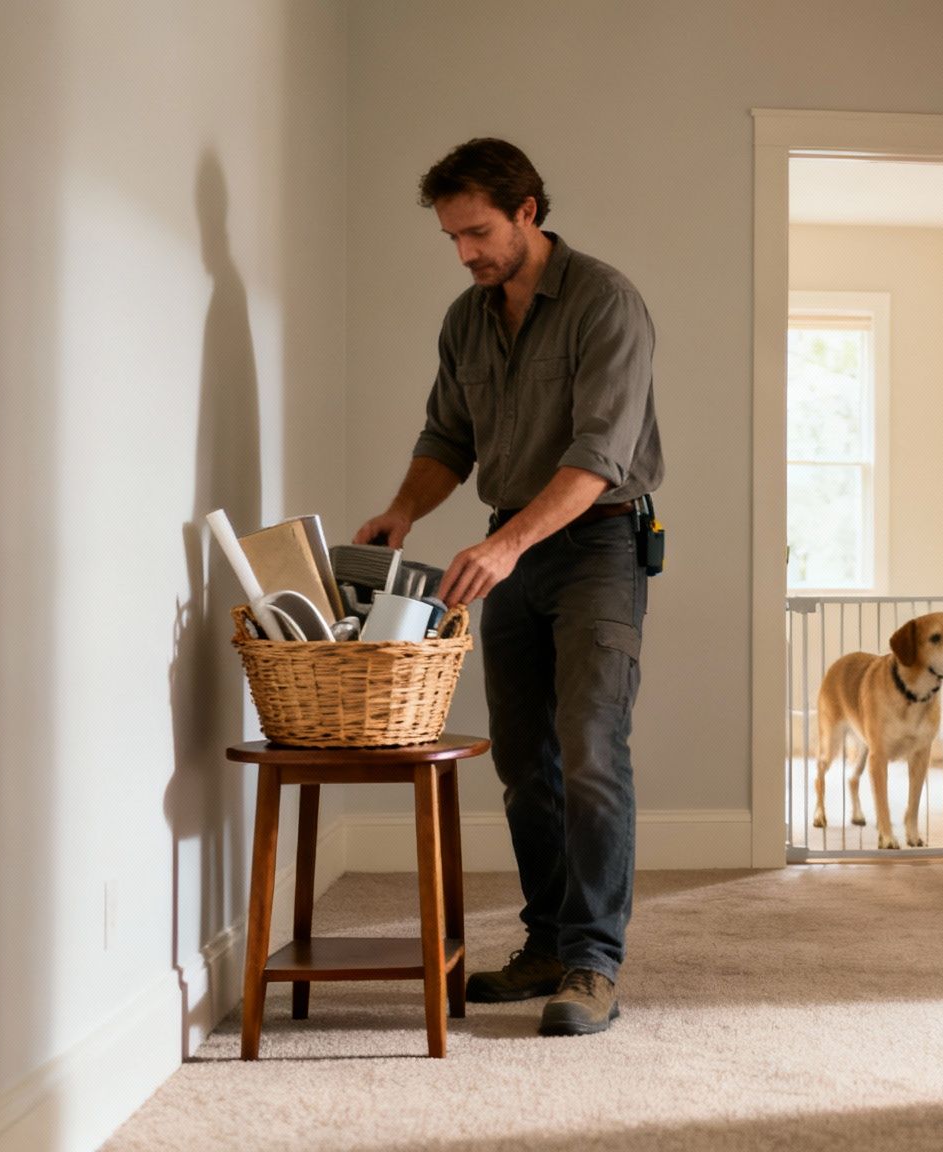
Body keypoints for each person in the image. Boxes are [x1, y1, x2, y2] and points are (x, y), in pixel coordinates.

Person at [356, 138, 663, 1037]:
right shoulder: (468, 318)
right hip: (515, 553)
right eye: (453, 238)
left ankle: (593, 963)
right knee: (527, 766)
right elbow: (448, 438)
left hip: (599, 548)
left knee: (593, 751)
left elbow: (599, 460)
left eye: (479, 232)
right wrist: (402, 511)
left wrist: (507, 544)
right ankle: (545, 943)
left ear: (528, 209)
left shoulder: (608, 303)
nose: (466, 254)